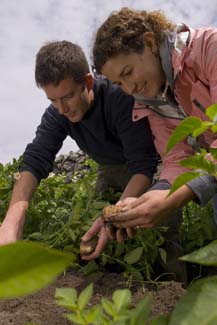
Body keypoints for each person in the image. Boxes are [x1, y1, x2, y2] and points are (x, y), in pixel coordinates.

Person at [82, 7, 217, 258]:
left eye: (128, 72)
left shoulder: (209, 48)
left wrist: (176, 198)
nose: (130, 88)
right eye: (119, 84)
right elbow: (176, 160)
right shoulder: (154, 101)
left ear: (149, 42)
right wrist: (138, 204)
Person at [0, 40, 158, 246]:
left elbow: (143, 165)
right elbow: (35, 159)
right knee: (97, 235)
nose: (62, 109)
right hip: (109, 168)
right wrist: (12, 223)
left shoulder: (119, 97)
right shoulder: (57, 114)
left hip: (148, 167)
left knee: (157, 226)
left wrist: (114, 216)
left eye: (68, 96)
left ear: (88, 82)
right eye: (52, 100)